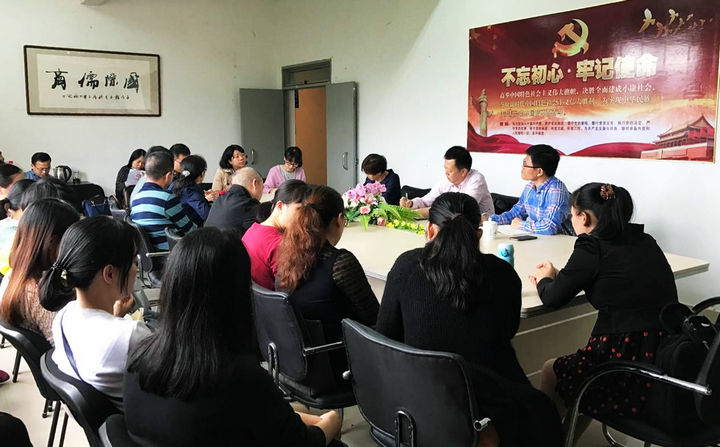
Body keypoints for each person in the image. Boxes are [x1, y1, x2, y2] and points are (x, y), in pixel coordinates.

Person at [124, 227, 342, 446]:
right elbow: (305, 443)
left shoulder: (138, 359)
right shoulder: (240, 380)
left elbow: (262, 416)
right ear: (237, 295)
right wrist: (332, 421)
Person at [377, 192, 562, 446]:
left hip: (417, 402)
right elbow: (507, 330)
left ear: (430, 231)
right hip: (489, 405)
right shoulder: (502, 274)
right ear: (478, 234)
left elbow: (385, 335)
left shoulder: (406, 266)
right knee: (543, 412)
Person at [529, 183, 678, 428]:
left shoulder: (591, 246)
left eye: (572, 214)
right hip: (665, 360)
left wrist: (546, 278)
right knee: (584, 380)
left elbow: (553, 298)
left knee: (551, 370)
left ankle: (543, 437)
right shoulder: (645, 240)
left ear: (584, 218)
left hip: (624, 362)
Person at [39, 217, 151, 410]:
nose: (135, 269)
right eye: (133, 262)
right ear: (109, 274)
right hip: (143, 423)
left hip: (109, 420)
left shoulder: (64, 316)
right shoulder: (131, 334)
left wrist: (114, 318)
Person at [276, 185, 378, 380]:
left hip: (295, 363)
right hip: (337, 366)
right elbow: (374, 317)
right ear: (339, 220)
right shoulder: (340, 263)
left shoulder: (286, 258)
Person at [0, 199, 80, 344]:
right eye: (73, 240)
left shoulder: (15, 275)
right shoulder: (40, 295)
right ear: (53, 243)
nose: (75, 247)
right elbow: (69, 347)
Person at [488, 144, 571, 235]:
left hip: (562, 239)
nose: (522, 167)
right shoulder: (530, 187)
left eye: (525, 164)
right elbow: (516, 213)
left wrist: (521, 225)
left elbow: (549, 227)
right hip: (541, 239)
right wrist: (489, 220)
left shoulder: (556, 190)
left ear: (539, 171)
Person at [242, 180, 309, 290]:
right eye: (299, 209)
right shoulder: (280, 244)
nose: (304, 218)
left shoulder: (252, 230)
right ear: (280, 206)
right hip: (272, 299)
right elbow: (289, 289)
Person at [399, 146, 493, 218]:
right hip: (454, 224)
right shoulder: (447, 181)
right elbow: (425, 201)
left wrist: (423, 212)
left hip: (484, 228)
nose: (446, 173)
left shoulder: (477, 180)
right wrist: (411, 203)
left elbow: (461, 208)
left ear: (463, 172)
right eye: (445, 169)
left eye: (450, 171)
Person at [130, 150, 197, 251]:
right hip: (170, 254)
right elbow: (190, 230)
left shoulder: (136, 198)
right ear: (168, 175)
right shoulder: (167, 198)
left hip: (148, 255)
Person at [204, 167, 263, 233]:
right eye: (262, 186)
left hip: (206, 237)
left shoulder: (220, 199)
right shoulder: (249, 204)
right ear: (255, 183)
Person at [171, 155, 212, 227]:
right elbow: (208, 216)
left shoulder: (174, 184)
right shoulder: (191, 192)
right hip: (189, 230)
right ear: (202, 173)